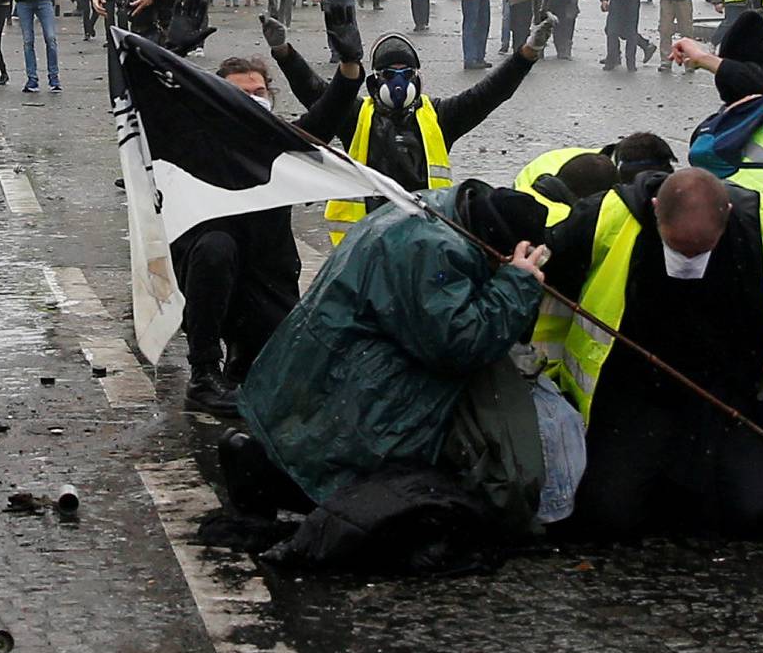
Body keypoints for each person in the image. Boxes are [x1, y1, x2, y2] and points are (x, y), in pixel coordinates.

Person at [232, 180, 551, 514]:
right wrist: (517, 283)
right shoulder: (433, 251)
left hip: (323, 361)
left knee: (315, 443)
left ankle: (270, 469)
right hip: (351, 375)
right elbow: (459, 345)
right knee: (361, 477)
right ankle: (282, 483)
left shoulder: (437, 213)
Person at [540, 166, 763, 544]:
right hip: (633, 394)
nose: (688, 263)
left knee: (756, 516)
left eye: (700, 253)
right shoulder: (609, 217)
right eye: (678, 250)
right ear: (653, 210)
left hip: (728, 394)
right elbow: (545, 269)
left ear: (727, 214)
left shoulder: (759, 221)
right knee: (605, 519)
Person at [262, 5, 545, 244]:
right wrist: (283, 51)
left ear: (416, 78)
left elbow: (491, 92)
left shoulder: (440, 116)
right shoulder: (355, 116)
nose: (399, 82)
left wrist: (528, 53)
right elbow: (314, 92)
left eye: (406, 73)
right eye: (389, 74)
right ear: (375, 81)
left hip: (425, 239)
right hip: (366, 244)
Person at [176, 57, 303, 416]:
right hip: (211, 270)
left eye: (259, 92)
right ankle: (203, 373)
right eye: (239, 93)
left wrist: (349, 70)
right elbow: (150, 112)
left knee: (291, 376)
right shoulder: (194, 141)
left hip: (267, 279)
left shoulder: (280, 141)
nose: (252, 99)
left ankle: (243, 353)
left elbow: (326, 119)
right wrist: (167, 53)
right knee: (216, 248)